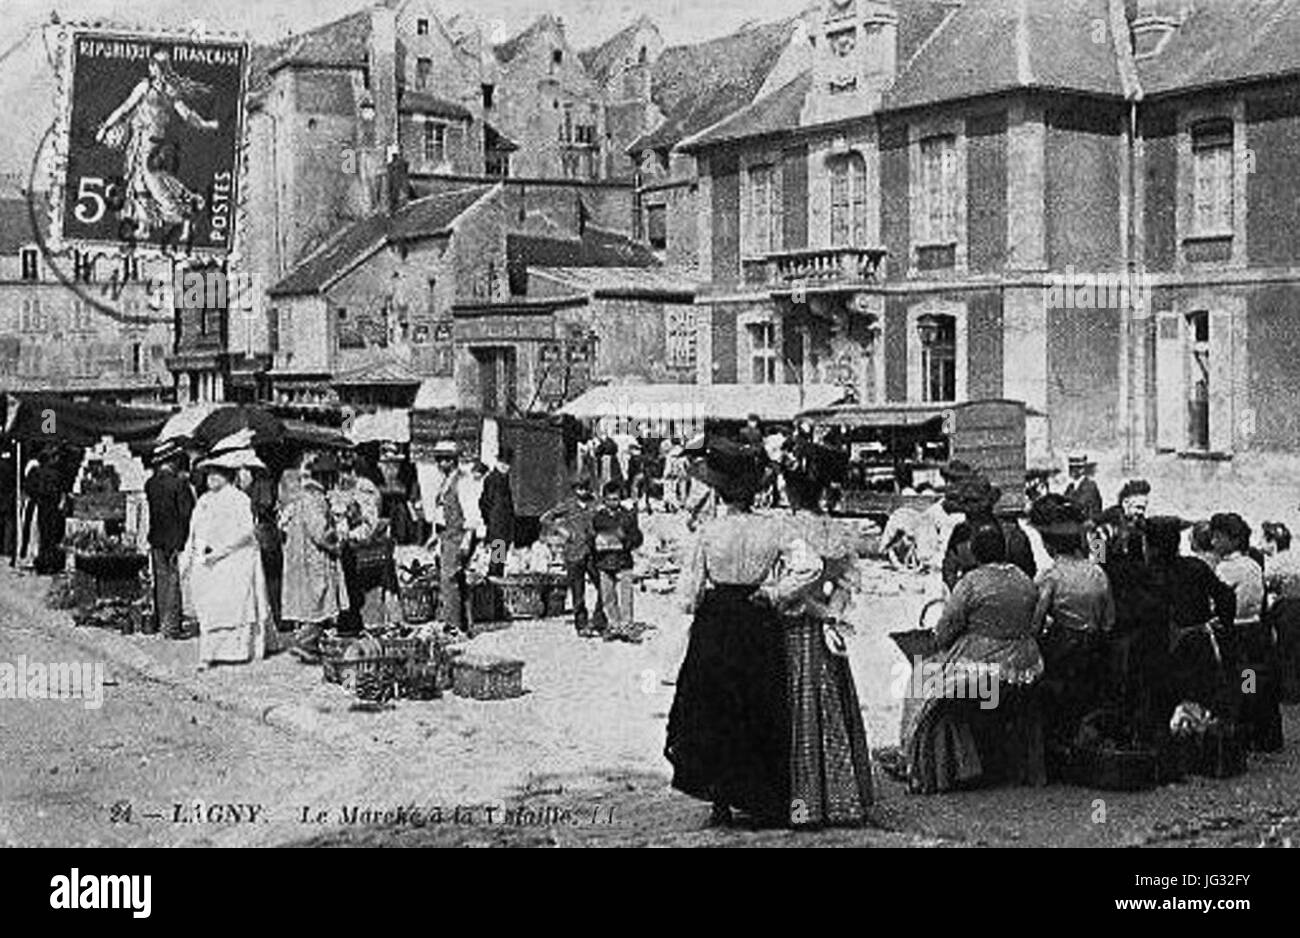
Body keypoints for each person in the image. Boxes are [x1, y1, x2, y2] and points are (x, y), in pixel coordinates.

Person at [667, 446, 789, 826]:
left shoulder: (708, 531)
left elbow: (688, 593)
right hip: (757, 618)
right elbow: (808, 567)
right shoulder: (773, 528)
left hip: (717, 621)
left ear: (718, 493)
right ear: (755, 493)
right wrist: (774, 593)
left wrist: (695, 604)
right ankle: (761, 796)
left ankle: (720, 801)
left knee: (714, 707)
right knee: (758, 704)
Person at [767, 460, 874, 828]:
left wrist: (809, 609)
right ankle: (842, 802)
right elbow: (847, 582)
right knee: (831, 704)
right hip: (828, 626)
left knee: (800, 706)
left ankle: (803, 804)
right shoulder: (837, 531)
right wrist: (832, 613)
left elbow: (791, 589)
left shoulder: (787, 530)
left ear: (792, 492)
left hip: (797, 628)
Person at [902, 521, 1046, 794]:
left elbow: (945, 631)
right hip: (1027, 665)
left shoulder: (971, 583)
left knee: (924, 679)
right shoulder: (1024, 579)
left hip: (985, 671)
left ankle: (935, 771)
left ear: (976, 554)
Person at [94, 48, 220, 241]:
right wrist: (106, 127)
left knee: (153, 181)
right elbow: (125, 108)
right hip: (138, 139)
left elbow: (186, 114)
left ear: (165, 68)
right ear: (151, 67)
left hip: (153, 143)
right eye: (155, 65)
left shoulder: (170, 90)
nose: (157, 69)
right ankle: (145, 226)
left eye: (161, 66)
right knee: (138, 183)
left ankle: (184, 216)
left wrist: (205, 124)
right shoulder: (144, 87)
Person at [1028, 496, 1114, 769]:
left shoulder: (1050, 576)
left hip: (1063, 647)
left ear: (1049, 545)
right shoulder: (1098, 572)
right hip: (1095, 647)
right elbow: (1108, 619)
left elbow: (1035, 623)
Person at [183, 447, 271, 670]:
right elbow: (196, 528)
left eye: (218, 473)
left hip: (235, 560)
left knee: (235, 606)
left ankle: (240, 651)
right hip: (209, 562)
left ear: (229, 476)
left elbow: (245, 532)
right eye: (210, 473)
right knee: (210, 608)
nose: (212, 478)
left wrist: (221, 551)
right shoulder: (204, 500)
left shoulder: (239, 499)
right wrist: (197, 551)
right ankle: (210, 653)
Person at [1210, 512, 1282, 752]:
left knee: (1241, 682)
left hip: (1237, 633)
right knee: (1252, 680)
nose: (1213, 543)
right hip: (1255, 630)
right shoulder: (1253, 565)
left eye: (1218, 538)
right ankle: (1260, 730)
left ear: (1232, 540)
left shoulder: (1226, 570)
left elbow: (1218, 605)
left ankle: (1243, 727)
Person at [281, 453, 348, 661]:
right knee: (317, 602)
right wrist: (338, 541)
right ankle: (305, 643)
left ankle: (310, 643)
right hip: (314, 559)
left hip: (305, 557)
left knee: (314, 602)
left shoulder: (304, 497)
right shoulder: (313, 499)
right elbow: (320, 532)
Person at [941, 474, 1035, 589]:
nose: (971, 511)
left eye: (976, 505)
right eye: (967, 505)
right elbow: (949, 570)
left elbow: (1027, 573)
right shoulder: (960, 534)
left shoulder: (1011, 534)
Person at [540, 475, 605, 637]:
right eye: (579, 488)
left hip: (592, 551)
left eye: (585, 488)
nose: (582, 491)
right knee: (578, 591)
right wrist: (562, 531)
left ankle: (599, 621)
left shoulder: (595, 503)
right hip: (573, 552)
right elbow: (545, 518)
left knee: (604, 586)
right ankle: (581, 624)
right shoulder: (568, 505)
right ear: (575, 490)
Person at [144, 440, 195, 639]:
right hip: (175, 538)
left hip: (156, 536)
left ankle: (160, 621)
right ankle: (172, 626)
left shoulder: (151, 483)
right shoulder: (179, 484)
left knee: (161, 579)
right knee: (174, 581)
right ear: (172, 461)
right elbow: (187, 513)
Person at [331, 451, 384, 634]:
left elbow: (370, 521)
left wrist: (353, 534)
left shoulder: (364, 487)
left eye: (347, 470)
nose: (344, 475)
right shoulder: (334, 486)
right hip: (339, 544)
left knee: (355, 589)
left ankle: (356, 623)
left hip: (356, 546)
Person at [592, 480, 644, 642]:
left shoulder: (627, 516)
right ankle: (614, 625)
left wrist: (626, 539)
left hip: (623, 562)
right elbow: (591, 537)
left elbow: (638, 538)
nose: (613, 503)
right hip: (604, 561)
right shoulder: (598, 518)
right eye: (610, 499)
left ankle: (627, 626)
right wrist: (596, 543)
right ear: (604, 499)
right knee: (608, 596)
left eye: (616, 499)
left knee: (626, 596)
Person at [429, 441, 470, 636]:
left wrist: (467, 540)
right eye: (439, 459)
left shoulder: (462, 481)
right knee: (450, 579)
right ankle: (460, 621)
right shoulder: (444, 482)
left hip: (457, 536)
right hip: (445, 536)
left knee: (449, 579)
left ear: (454, 460)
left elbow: (470, 513)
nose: (441, 463)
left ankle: (454, 625)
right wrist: (434, 535)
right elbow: (440, 511)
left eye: (446, 459)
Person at [1262, 522, 1300, 704]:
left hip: (1286, 609)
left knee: (1285, 652)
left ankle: (1288, 694)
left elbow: (1268, 590)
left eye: (1264, 540)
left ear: (1273, 542)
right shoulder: (1296, 557)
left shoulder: (1274, 564)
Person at [27, 448, 68, 575]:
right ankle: (50, 564)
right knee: (52, 536)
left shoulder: (36, 472)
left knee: (42, 535)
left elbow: (29, 488)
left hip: (40, 506)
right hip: (53, 507)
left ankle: (42, 563)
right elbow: (61, 491)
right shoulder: (56, 474)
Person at [480, 446, 516, 578]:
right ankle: (493, 584)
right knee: (497, 560)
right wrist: (490, 520)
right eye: (504, 464)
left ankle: (495, 581)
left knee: (500, 558)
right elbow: (484, 503)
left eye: (508, 464)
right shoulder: (493, 479)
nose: (507, 467)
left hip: (503, 525)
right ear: (499, 462)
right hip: (498, 526)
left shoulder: (503, 479)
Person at [1063, 455, 1102, 523]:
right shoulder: (1070, 487)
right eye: (1070, 467)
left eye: (1076, 468)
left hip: (1087, 525)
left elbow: (1080, 505)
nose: (1071, 470)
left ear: (1082, 470)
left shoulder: (1090, 486)